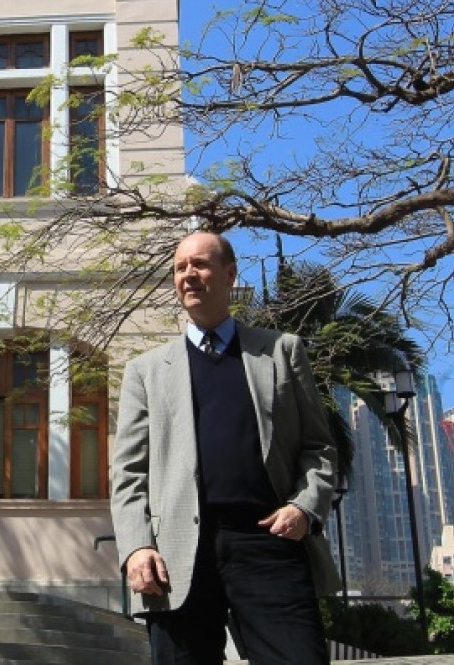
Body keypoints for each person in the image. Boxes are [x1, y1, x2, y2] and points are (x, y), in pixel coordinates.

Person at [110, 232, 341, 664]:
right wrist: (137, 546)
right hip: (176, 556)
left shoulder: (281, 351)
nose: (188, 276)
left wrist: (305, 507)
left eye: (199, 264)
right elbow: (128, 473)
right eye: (180, 268)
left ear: (230, 274)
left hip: (269, 542)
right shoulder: (145, 372)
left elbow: (319, 448)